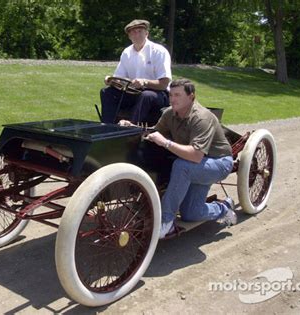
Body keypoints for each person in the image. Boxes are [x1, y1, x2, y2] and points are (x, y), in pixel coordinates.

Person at [120, 78, 237, 239]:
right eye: (171, 95)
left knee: (182, 166)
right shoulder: (169, 113)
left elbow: (196, 156)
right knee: (191, 214)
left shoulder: (202, 118)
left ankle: (166, 222)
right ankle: (224, 208)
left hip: (218, 162)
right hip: (196, 165)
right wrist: (132, 126)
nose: (173, 99)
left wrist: (166, 143)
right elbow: (155, 133)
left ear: (191, 97)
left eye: (178, 95)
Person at [100, 19, 172, 125]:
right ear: (129, 36)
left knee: (146, 95)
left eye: (139, 31)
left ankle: (131, 129)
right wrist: (111, 81)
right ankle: (107, 128)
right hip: (134, 92)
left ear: (146, 33)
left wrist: (145, 82)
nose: (136, 34)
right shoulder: (127, 53)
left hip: (159, 94)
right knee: (107, 92)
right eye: (133, 32)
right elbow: (120, 78)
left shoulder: (158, 51)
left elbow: (164, 83)